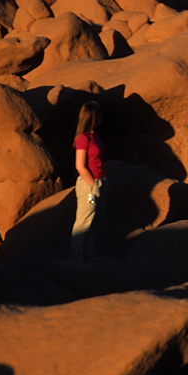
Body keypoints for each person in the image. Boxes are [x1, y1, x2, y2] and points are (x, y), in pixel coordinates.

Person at [71, 100, 106, 259]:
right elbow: (80, 165)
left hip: (101, 181)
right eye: (98, 114)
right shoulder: (83, 139)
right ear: (92, 116)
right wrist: (93, 186)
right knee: (84, 223)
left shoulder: (95, 136)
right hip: (88, 184)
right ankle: (76, 258)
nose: (101, 117)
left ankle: (88, 257)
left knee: (96, 223)